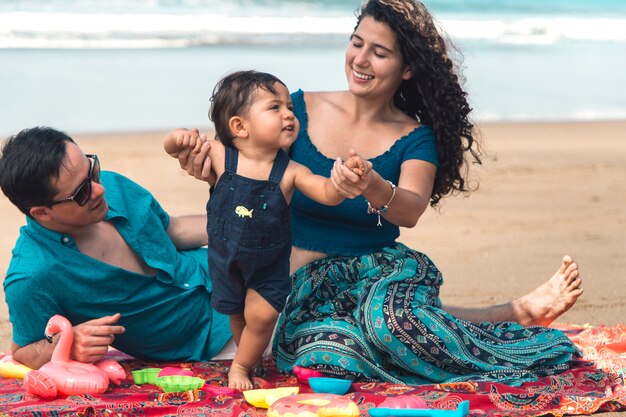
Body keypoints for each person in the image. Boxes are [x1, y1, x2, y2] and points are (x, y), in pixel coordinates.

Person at [178, 0, 583, 385]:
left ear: (406, 69)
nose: (360, 59)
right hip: (302, 284)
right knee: (325, 358)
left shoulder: (415, 138)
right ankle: (511, 312)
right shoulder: (294, 112)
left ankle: (516, 316)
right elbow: (244, 167)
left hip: (377, 273)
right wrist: (204, 170)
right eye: (357, 43)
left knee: (390, 325)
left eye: (379, 52)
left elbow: (410, 210)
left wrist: (373, 185)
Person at [164, 70, 370, 389]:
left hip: (269, 265)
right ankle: (252, 356)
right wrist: (179, 138)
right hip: (225, 259)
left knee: (260, 317)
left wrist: (343, 183)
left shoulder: (290, 171)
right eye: (275, 107)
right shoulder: (221, 156)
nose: (289, 113)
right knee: (235, 313)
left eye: (289, 106)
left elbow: (326, 192)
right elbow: (172, 144)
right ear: (239, 126)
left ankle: (240, 366)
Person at [0, 127, 231, 370]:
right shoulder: (32, 276)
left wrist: (244, 225)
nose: (99, 189)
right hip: (214, 339)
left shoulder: (110, 186)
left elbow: (171, 231)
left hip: (234, 273)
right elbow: (23, 351)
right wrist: (66, 342)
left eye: (92, 171)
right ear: (42, 213)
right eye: (81, 193)